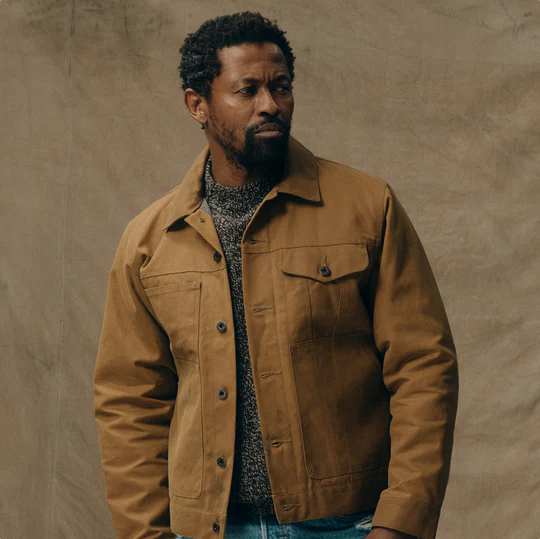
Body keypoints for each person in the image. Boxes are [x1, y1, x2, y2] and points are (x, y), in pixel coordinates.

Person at [93, 11, 459, 539]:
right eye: (248, 90)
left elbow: (424, 368)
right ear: (198, 105)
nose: (270, 104)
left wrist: (400, 523)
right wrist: (146, 533)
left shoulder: (366, 207)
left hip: (347, 524)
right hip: (209, 528)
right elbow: (130, 400)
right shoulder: (149, 242)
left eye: (281, 87)